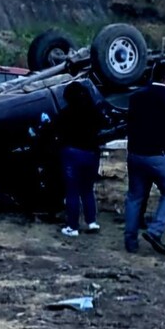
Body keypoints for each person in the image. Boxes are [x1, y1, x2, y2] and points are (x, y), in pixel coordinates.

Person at [124, 61, 165, 255]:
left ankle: (130, 242)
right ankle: (155, 230)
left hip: (134, 153)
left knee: (134, 197)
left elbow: (129, 123)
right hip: (158, 155)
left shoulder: (136, 96)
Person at [57, 81, 105, 237]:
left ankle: (73, 226)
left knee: (72, 191)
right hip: (91, 154)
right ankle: (92, 222)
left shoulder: (65, 113)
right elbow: (102, 127)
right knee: (87, 189)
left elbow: (55, 132)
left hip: (71, 154)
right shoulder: (94, 112)